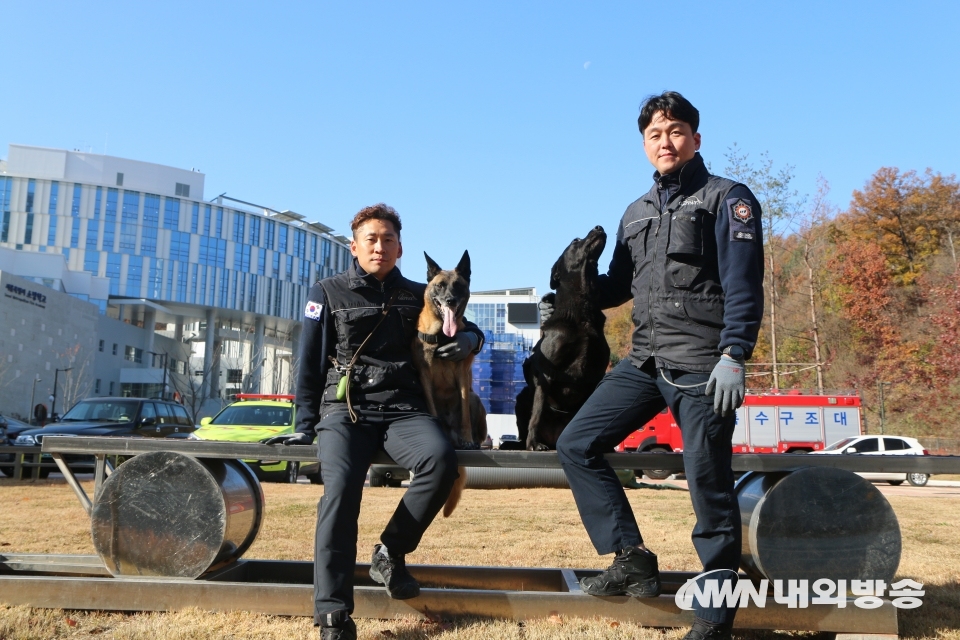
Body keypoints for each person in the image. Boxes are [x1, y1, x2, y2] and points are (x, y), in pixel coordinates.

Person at [553, 91, 764, 640]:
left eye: (675, 131)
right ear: (644, 145)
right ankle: (629, 556)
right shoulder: (636, 212)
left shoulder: (727, 199)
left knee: (708, 481)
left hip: (702, 362)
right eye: (654, 135)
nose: (665, 142)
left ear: (695, 138)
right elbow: (616, 289)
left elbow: (744, 285)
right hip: (644, 359)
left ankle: (715, 615)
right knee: (576, 443)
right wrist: (573, 278)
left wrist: (735, 354)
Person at [266, 203, 484, 640]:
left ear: (399, 247)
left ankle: (390, 551)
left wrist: (473, 338)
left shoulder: (416, 292)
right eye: (371, 239)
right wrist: (305, 422)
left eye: (388, 239)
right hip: (345, 412)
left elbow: (454, 320)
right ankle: (332, 614)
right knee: (342, 492)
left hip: (403, 408)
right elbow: (309, 362)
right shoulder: (326, 292)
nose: (379, 247)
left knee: (440, 461)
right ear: (354, 246)